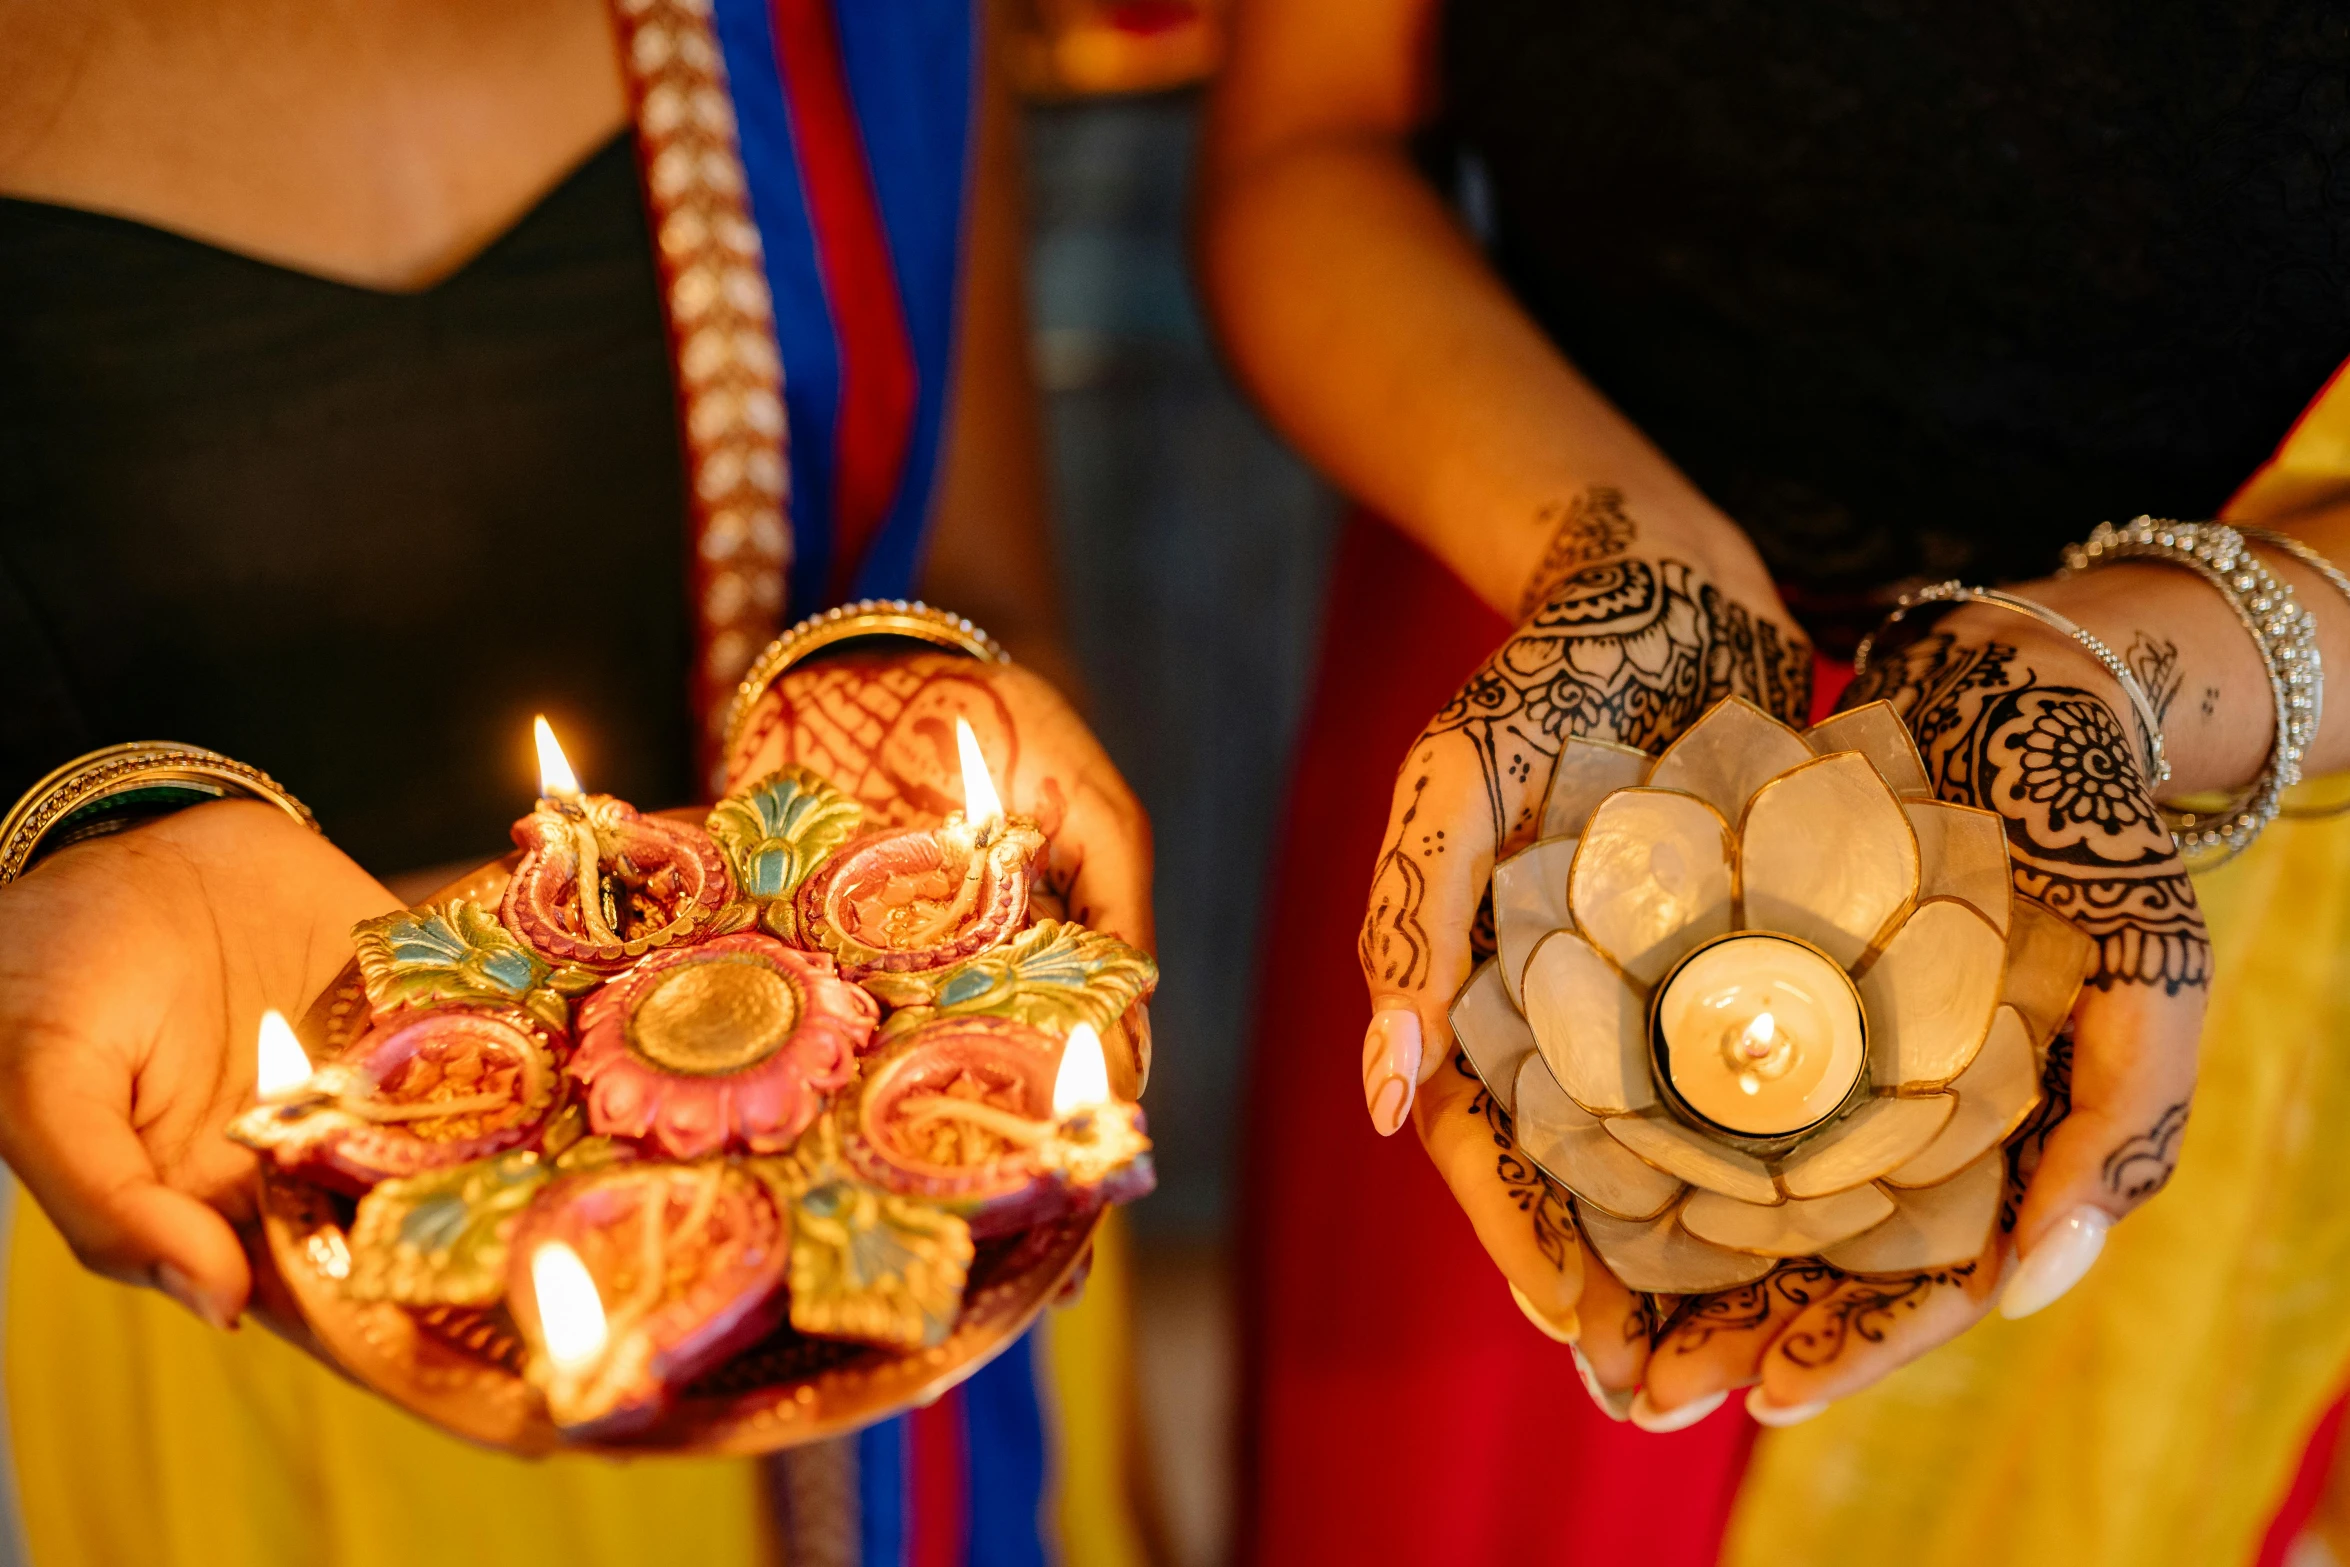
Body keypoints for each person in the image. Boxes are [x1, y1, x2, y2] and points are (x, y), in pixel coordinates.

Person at [0, 2, 1152, 1564]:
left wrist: (925, 720)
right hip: (269, 1226)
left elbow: (988, 589)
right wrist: (66, 863)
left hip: (881, 1201)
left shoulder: (846, 31)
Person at [1200, 1, 2350, 1563]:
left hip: (2193, 797)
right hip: (1558, 756)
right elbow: (1308, 144)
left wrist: (2144, 668)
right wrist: (1602, 555)